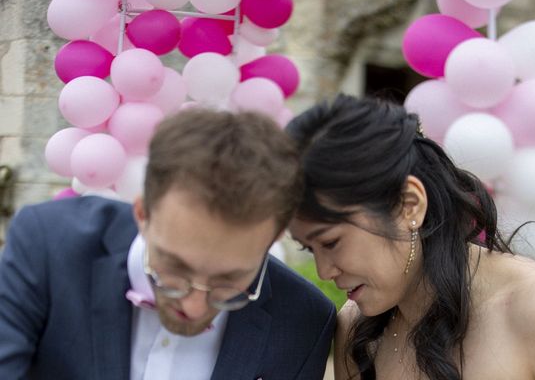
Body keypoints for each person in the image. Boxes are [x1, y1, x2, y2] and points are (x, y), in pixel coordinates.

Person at [286, 94, 535, 380]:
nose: (324, 271)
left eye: (330, 242)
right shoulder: (356, 328)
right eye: (309, 248)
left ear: (408, 205)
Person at [0, 108, 336, 379]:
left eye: (228, 281)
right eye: (175, 268)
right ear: (142, 213)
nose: (193, 306)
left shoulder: (303, 321)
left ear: (273, 238)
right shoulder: (47, 243)